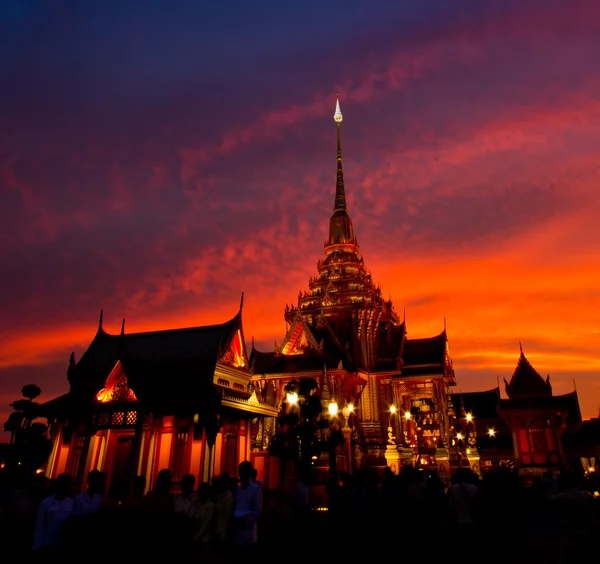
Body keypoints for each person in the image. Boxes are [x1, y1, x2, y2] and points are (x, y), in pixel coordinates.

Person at [33, 473, 74, 556]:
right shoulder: (45, 503)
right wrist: (37, 547)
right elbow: (39, 526)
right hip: (46, 545)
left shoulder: (72, 503)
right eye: (62, 485)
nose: (64, 488)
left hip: (62, 546)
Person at [233, 461, 262, 554]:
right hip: (238, 530)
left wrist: (248, 518)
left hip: (249, 532)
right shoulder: (238, 489)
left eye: (242, 473)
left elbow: (257, 510)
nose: (240, 475)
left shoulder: (255, 489)